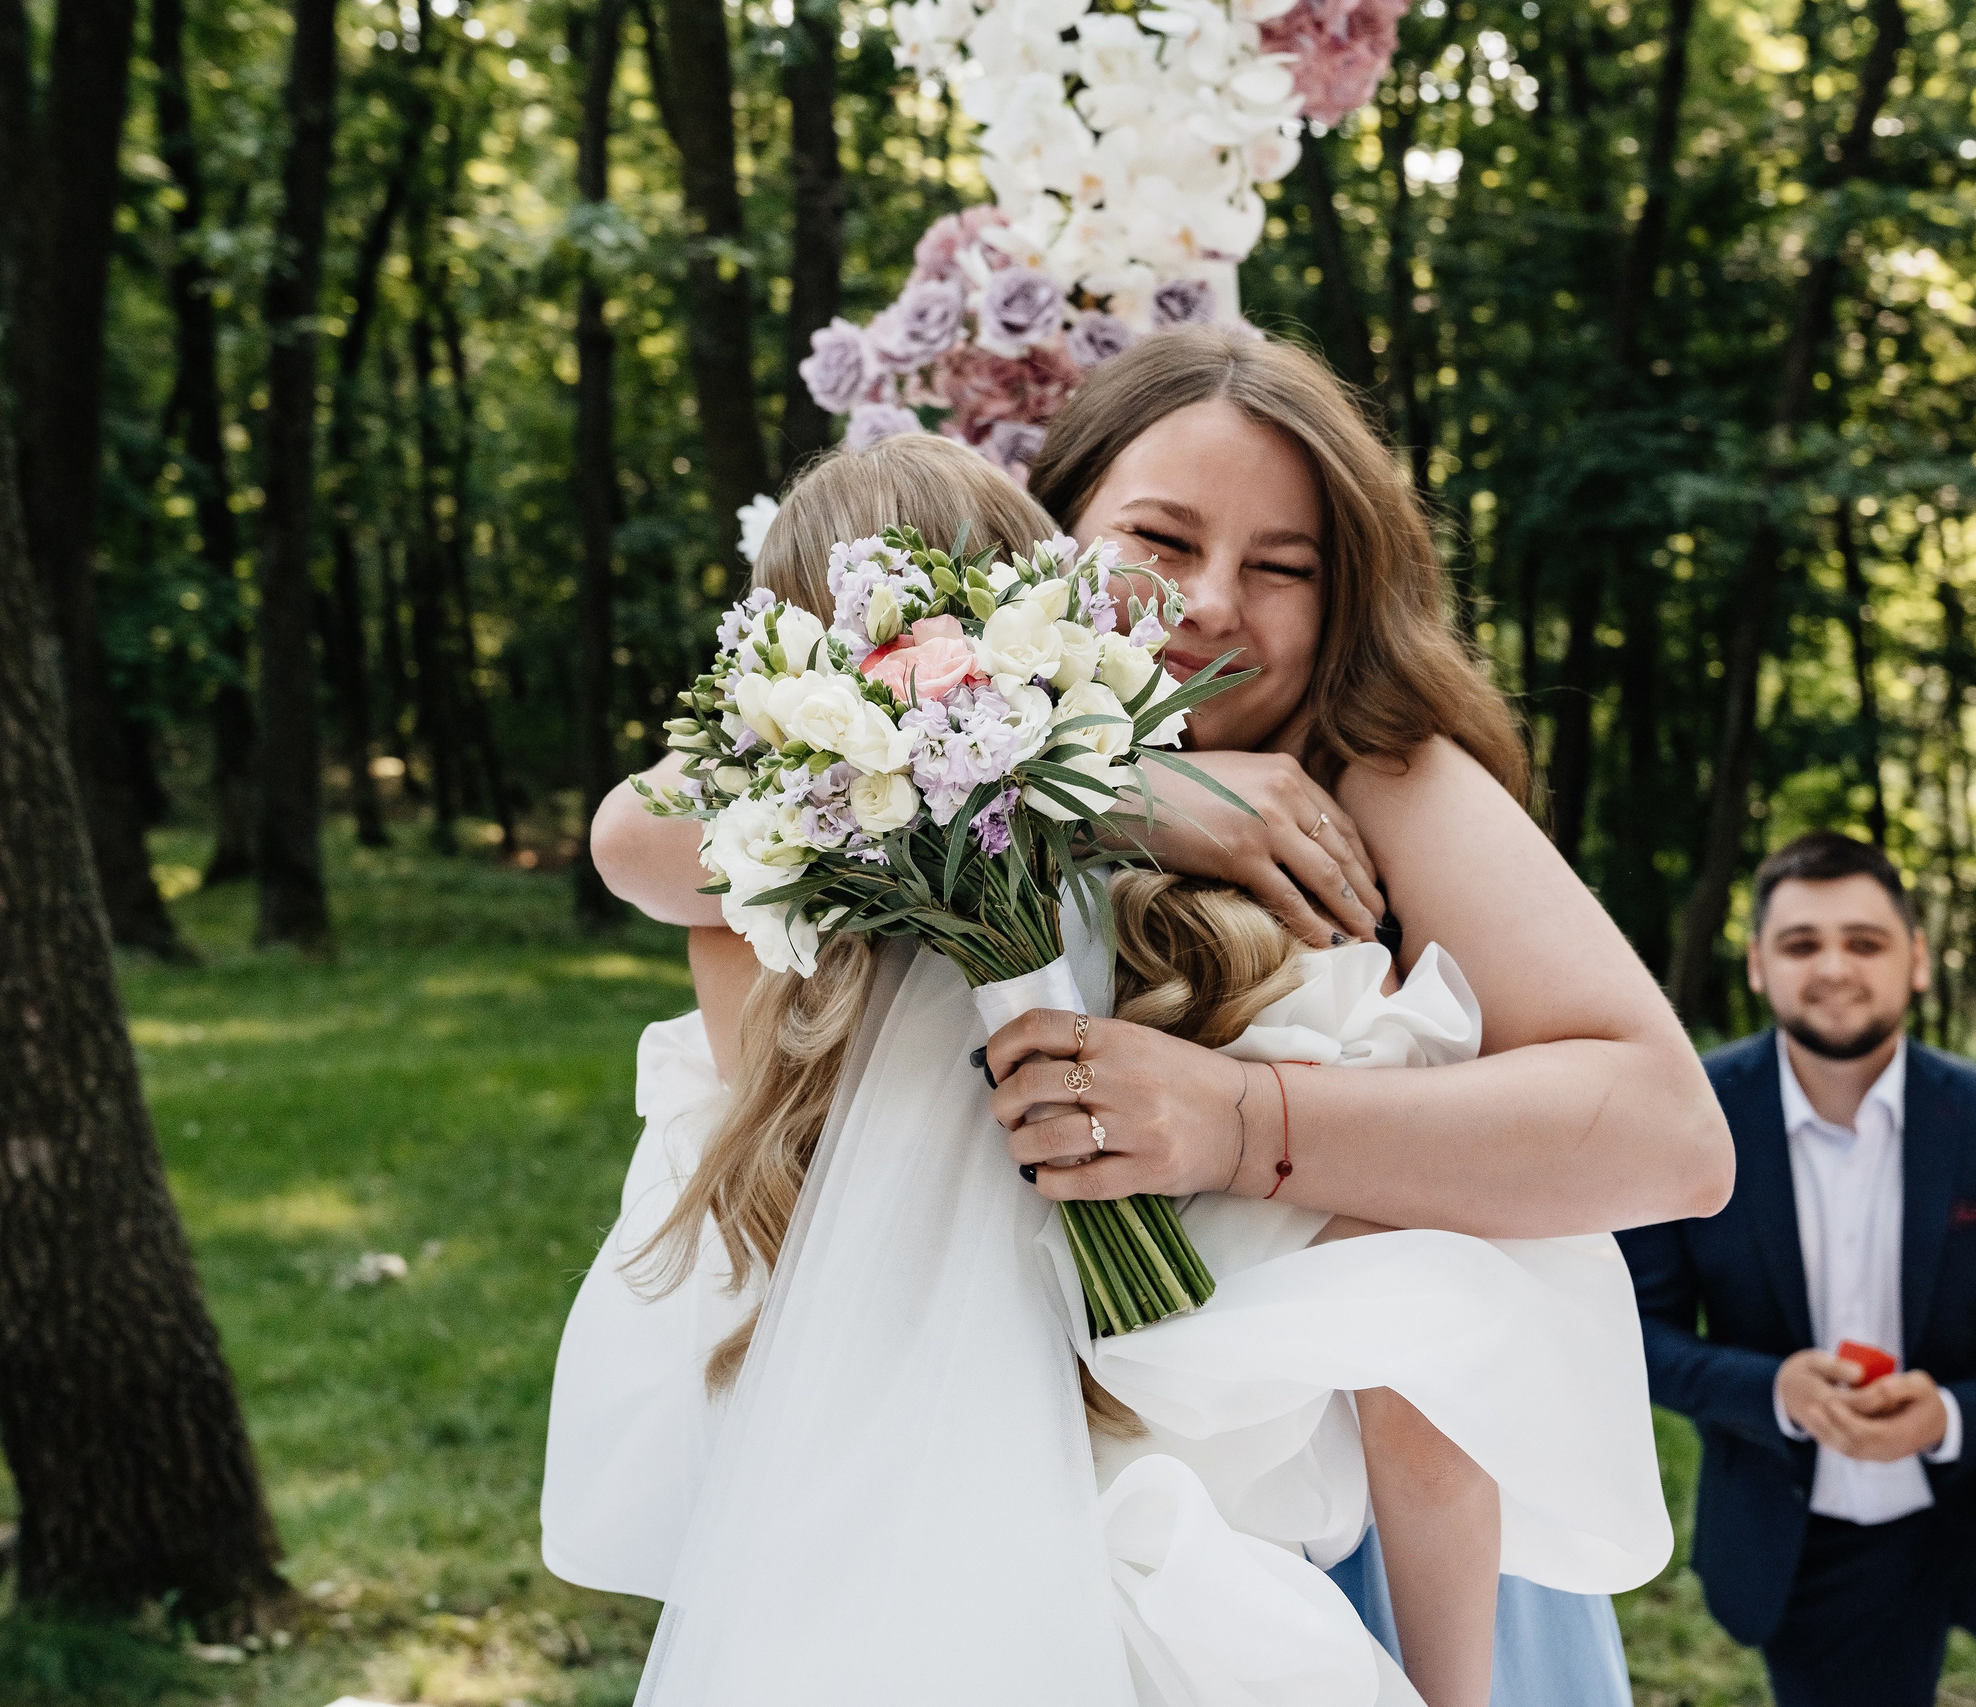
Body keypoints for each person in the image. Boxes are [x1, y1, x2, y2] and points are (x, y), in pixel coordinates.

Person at [590, 332, 1735, 1700]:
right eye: (1161, 538)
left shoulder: (1376, 777)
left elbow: (1671, 1135)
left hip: (1340, 1543)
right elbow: (637, 836)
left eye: (1284, 567)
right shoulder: (914, 760)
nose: (1209, 603)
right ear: (1051, 534)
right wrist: (1112, 792)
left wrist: (1242, 1122)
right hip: (962, 1506)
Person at [1613, 831, 1976, 1707]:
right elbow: (1633, 1335)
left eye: (1865, 941)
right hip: (1806, 1524)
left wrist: (1950, 1416)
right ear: (1759, 965)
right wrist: (1774, 1390)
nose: (1834, 967)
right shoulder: (1685, 1118)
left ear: (1917, 960)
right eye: (1802, 943)